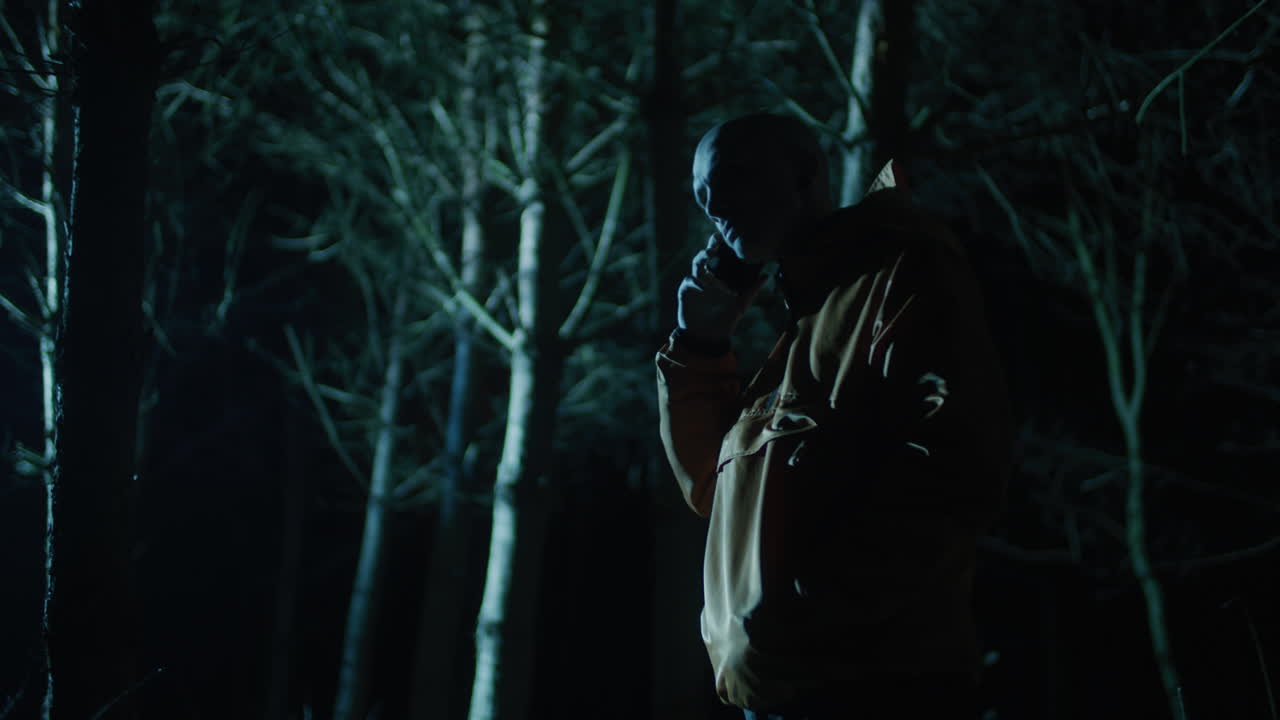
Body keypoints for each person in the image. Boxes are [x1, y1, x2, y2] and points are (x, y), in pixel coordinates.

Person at [655, 113, 1014, 719]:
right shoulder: (799, 331)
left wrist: (813, 607)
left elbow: (957, 459)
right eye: (700, 193)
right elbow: (711, 492)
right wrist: (699, 348)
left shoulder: (902, 272)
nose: (712, 203)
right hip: (781, 695)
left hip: (870, 688)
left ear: (804, 174)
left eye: (734, 177)